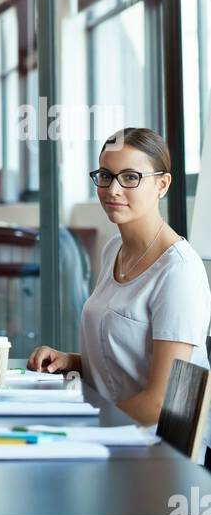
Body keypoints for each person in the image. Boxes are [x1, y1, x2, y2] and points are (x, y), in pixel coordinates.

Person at [29, 127, 211, 463]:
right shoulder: (114, 249)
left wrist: (75, 429)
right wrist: (73, 362)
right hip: (109, 436)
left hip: (154, 454)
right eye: (106, 176)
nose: (113, 189)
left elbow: (162, 401)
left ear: (163, 184)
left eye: (130, 177)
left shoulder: (179, 271)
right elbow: (126, 364)